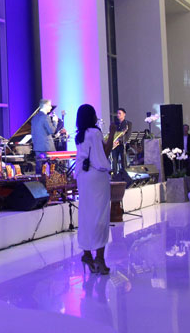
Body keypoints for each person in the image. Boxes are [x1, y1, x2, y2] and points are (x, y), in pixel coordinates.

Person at [75, 104, 116, 275]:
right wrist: (112, 133)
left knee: (86, 215)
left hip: (83, 177)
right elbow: (104, 153)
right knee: (100, 216)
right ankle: (99, 258)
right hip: (97, 177)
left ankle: (87, 254)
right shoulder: (95, 132)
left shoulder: (79, 136)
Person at [31, 99, 66, 171]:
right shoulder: (46, 117)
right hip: (47, 147)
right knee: (54, 168)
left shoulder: (34, 118)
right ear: (45, 106)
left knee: (39, 169)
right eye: (49, 105)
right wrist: (55, 121)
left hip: (37, 147)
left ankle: (40, 178)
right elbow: (52, 131)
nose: (51, 107)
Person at [110, 108, 132, 175]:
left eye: (120, 113)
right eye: (117, 113)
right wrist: (113, 142)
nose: (118, 115)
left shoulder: (128, 123)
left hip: (122, 145)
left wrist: (120, 141)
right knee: (114, 161)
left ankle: (124, 176)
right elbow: (111, 134)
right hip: (115, 145)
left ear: (124, 114)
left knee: (123, 162)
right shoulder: (114, 124)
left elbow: (128, 135)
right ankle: (114, 176)